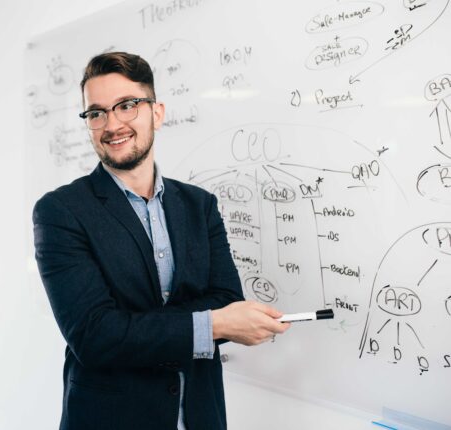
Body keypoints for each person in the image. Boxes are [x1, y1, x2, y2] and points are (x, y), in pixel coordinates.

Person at [33, 51, 290, 430]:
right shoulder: (61, 211)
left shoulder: (199, 205)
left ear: (157, 113)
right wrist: (211, 324)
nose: (112, 124)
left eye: (127, 106)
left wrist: (135, 327)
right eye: (96, 112)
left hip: (200, 415)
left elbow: (225, 297)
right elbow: (95, 336)